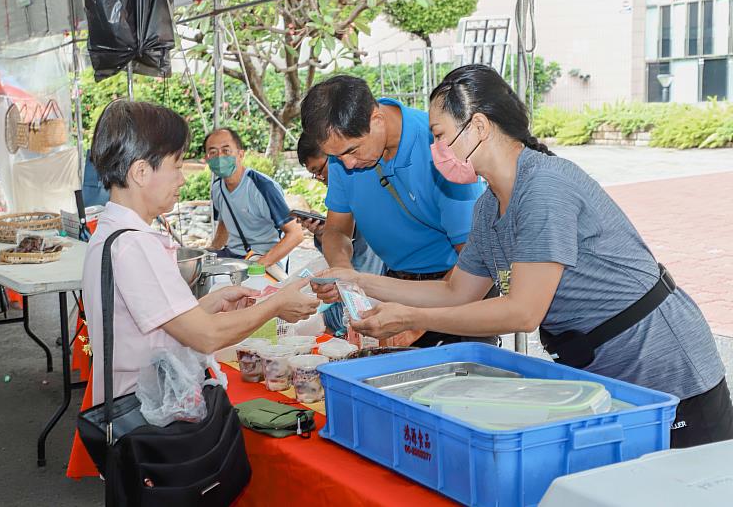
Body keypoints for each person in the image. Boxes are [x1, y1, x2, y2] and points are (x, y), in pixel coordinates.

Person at [313, 64, 733, 449]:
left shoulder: (544, 186)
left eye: (439, 135)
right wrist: (357, 280)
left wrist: (412, 317)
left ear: (477, 126)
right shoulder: (488, 205)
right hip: (600, 365)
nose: (434, 148)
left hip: (661, 363)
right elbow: (457, 290)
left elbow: (523, 311)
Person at [82, 101, 319, 403]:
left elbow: (159, 324)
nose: (182, 179)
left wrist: (209, 302)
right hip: (148, 412)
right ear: (141, 172)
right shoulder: (136, 245)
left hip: (135, 403)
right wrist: (274, 306)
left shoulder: (111, 233)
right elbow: (206, 336)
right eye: (177, 166)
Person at [300, 75, 490, 348]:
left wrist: (418, 321)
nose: (348, 165)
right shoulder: (342, 155)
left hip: (458, 290)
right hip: (396, 287)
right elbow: (336, 230)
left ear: (376, 119)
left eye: (352, 151)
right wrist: (343, 274)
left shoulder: (438, 145)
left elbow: (472, 257)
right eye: (337, 157)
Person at [296, 131, 384, 336]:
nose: (320, 178)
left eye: (319, 170)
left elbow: (362, 259)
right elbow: (337, 235)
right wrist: (322, 234)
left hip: (377, 293)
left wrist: (348, 285)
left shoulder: (362, 177)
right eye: (314, 174)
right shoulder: (344, 191)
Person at [207, 127, 303, 270]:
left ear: (240, 154)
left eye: (226, 151)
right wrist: (212, 250)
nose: (220, 157)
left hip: (266, 259)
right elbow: (224, 221)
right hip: (233, 256)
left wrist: (259, 266)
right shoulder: (217, 188)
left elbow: (296, 234)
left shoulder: (263, 186)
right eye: (213, 152)